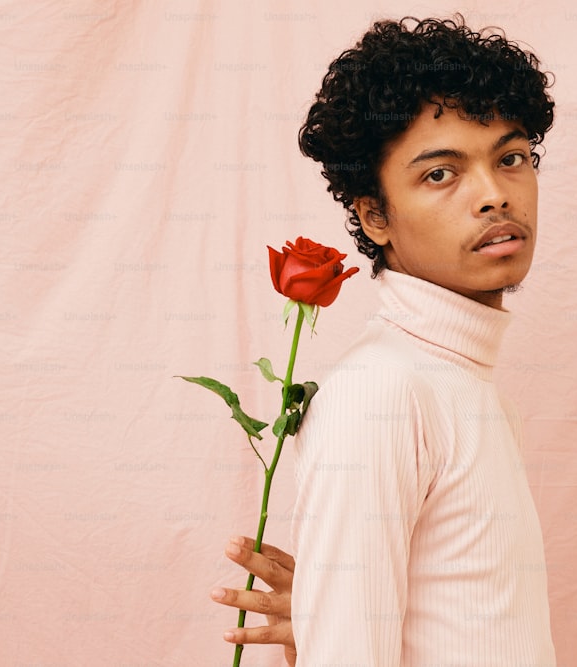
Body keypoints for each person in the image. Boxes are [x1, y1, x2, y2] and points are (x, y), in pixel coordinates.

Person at [213, 15, 556, 665]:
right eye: (440, 174)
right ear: (374, 216)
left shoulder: (463, 385)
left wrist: (326, 617)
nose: (493, 195)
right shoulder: (381, 393)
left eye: (510, 158)